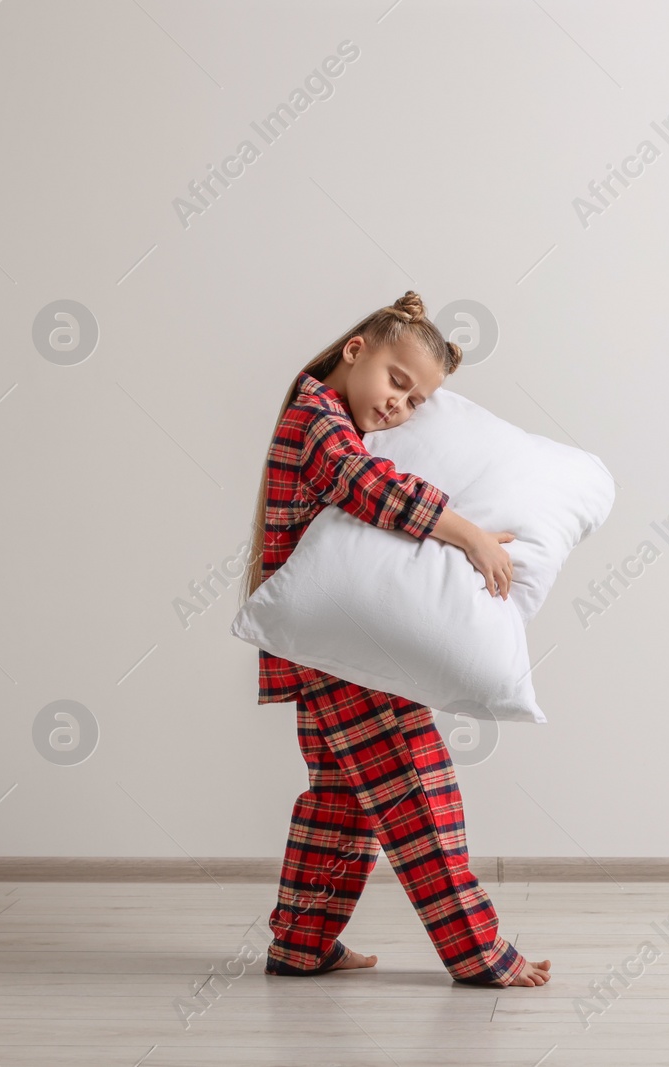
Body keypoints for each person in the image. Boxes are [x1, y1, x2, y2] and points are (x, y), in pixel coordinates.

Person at [240, 291, 551, 988]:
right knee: (417, 790)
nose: (398, 406)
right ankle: (478, 951)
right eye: (395, 381)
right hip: (345, 649)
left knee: (340, 803)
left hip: (326, 647)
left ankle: (301, 943)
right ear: (356, 351)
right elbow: (367, 485)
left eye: (415, 402)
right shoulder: (316, 419)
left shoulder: (328, 416)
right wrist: (466, 531)